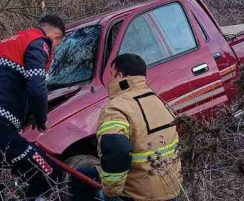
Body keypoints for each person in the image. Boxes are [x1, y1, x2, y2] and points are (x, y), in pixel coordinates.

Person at [0, 14, 66, 199]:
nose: (53, 49)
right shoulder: (39, 43)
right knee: (49, 175)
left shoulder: (4, 43)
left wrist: (26, 114)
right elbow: (36, 87)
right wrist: (41, 118)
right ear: (55, 38)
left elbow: (2, 84)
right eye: (56, 46)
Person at [72, 53, 182, 201]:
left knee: (77, 179)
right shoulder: (157, 100)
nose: (110, 79)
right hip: (170, 189)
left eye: (112, 74)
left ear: (120, 75)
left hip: (140, 193)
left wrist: (110, 192)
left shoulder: (116, 107)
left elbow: (117, 152)